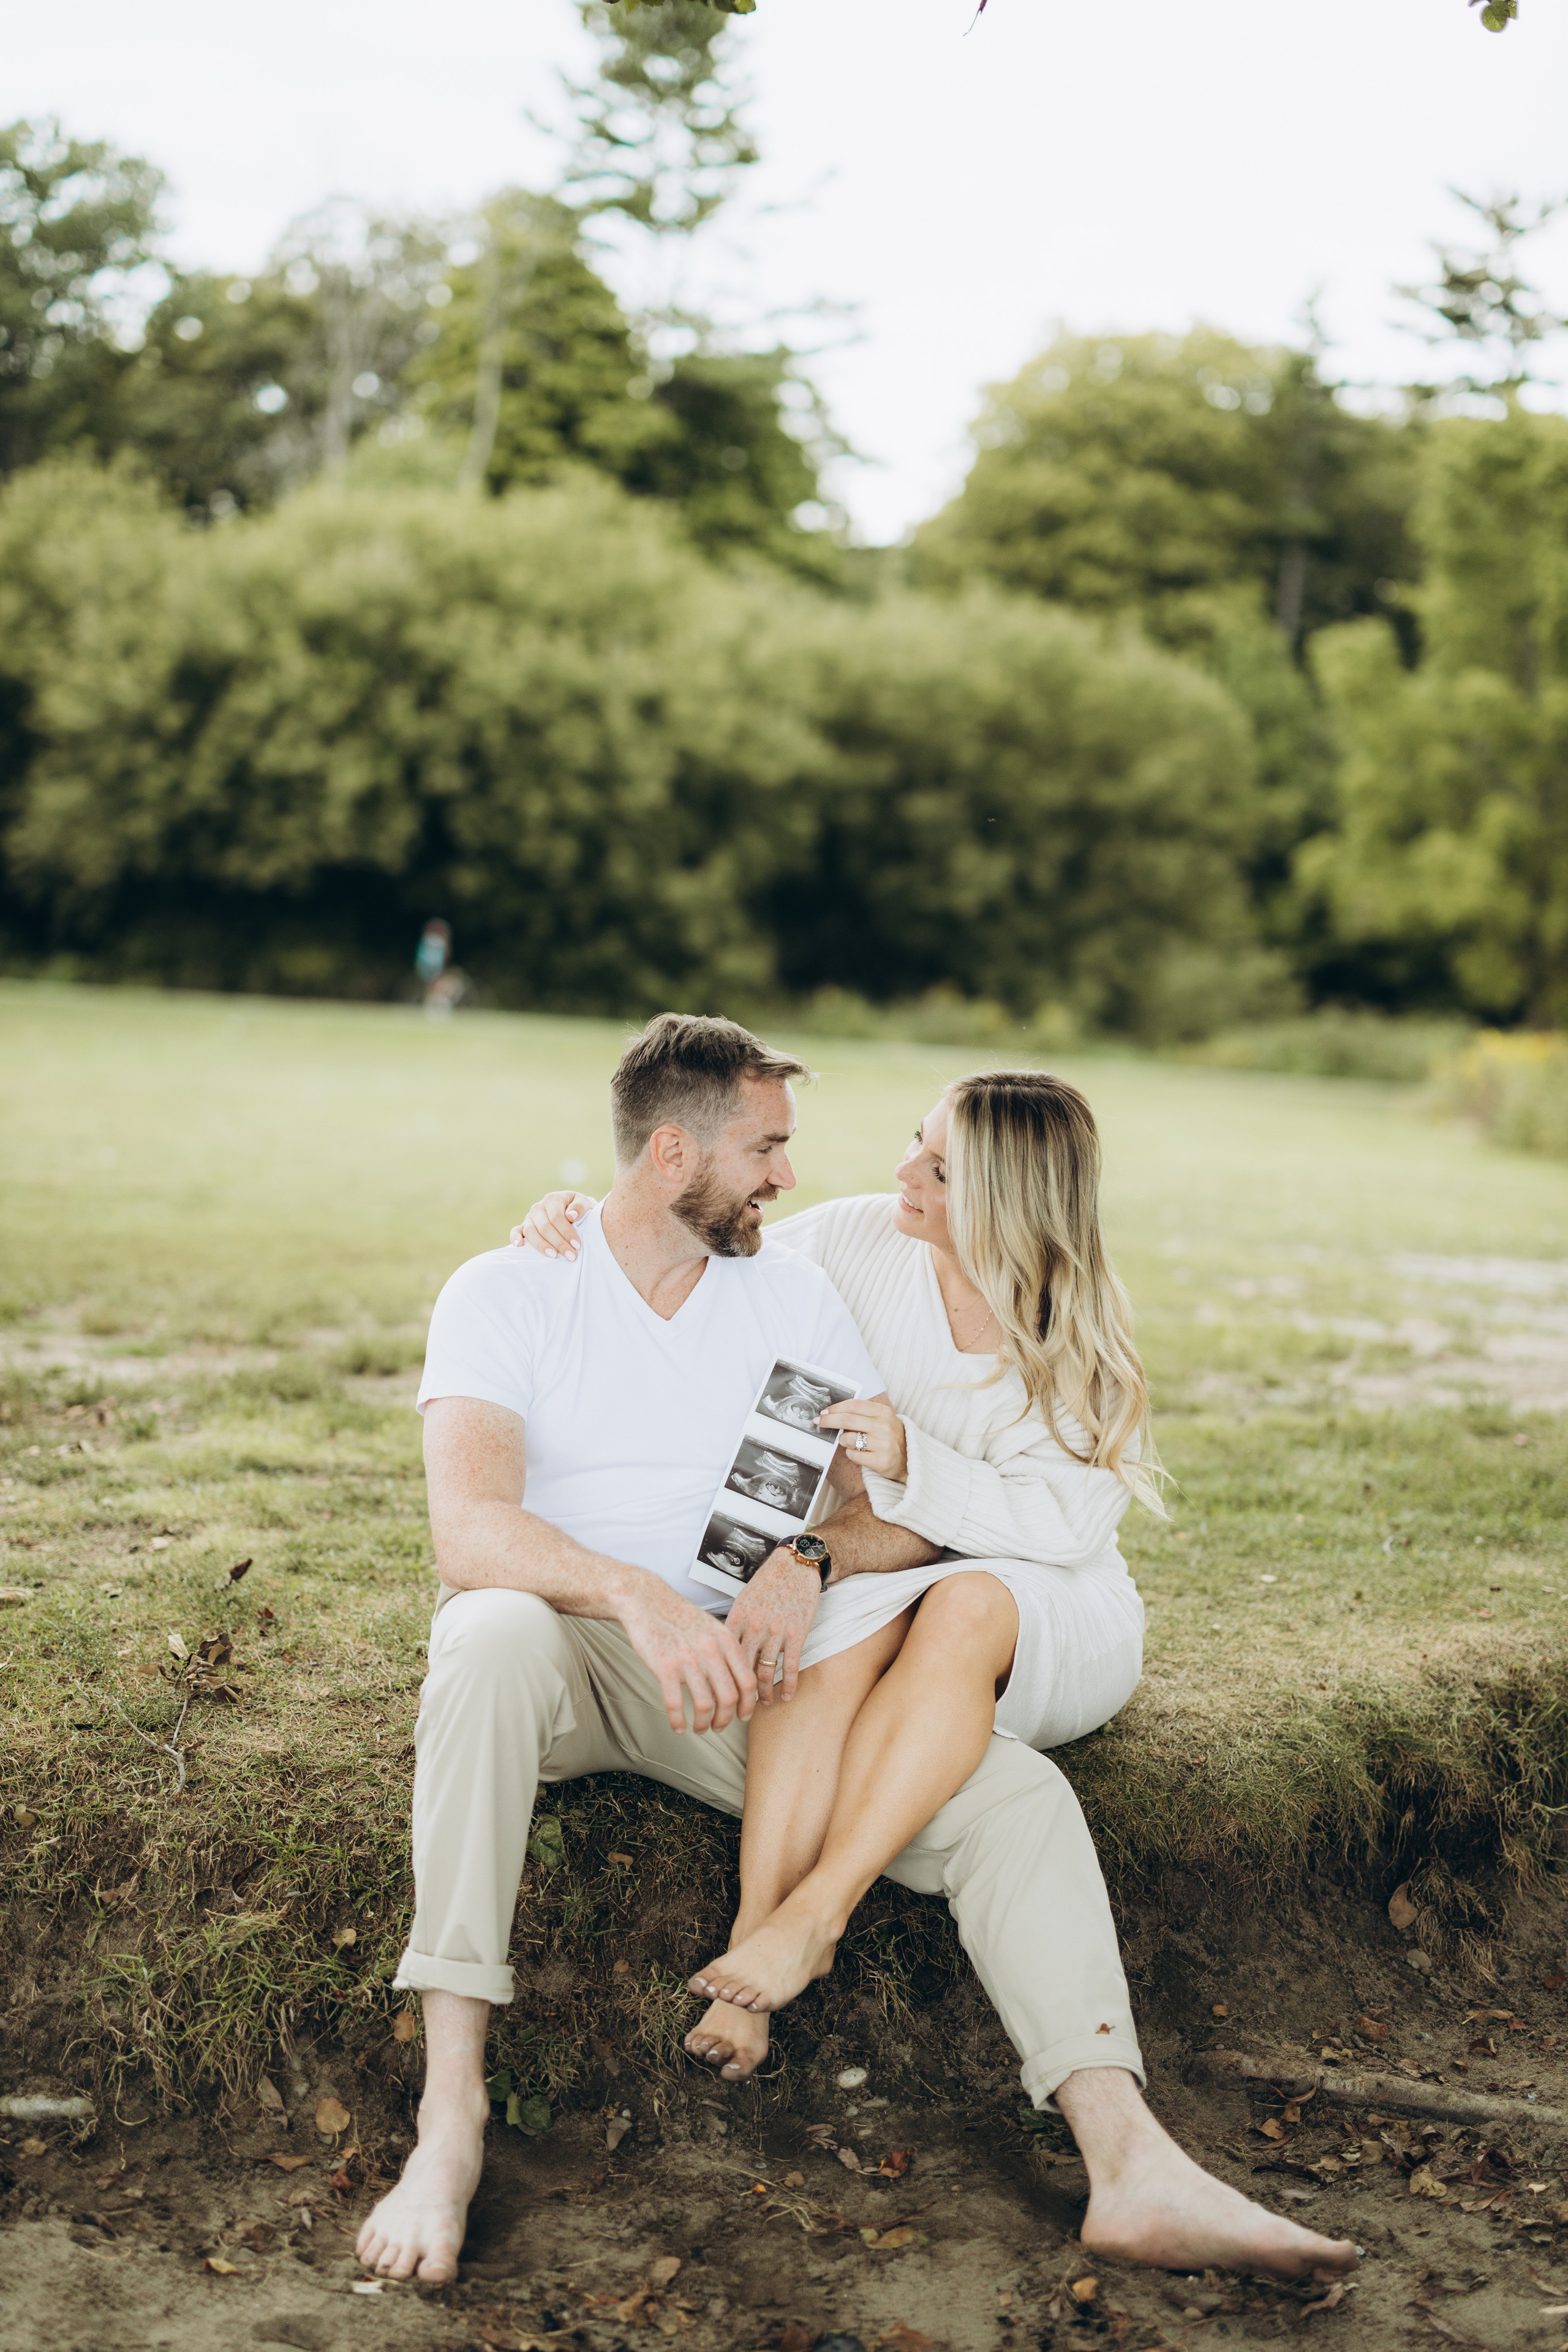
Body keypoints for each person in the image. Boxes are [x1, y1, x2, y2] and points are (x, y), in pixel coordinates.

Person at [357, 1014, 1357, 2293]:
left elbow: (871, 1506)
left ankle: (1130, 2165)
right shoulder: (508, 1283)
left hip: (743, 1683)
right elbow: (469, 1529)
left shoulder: (792, 1281)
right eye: (767, 1149)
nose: (790, 1176)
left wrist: (796, 1569)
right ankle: (452, 2119)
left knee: (1012, 1797)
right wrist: (637, 1601)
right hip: (575, 1655)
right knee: (487, 1632)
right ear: (670, 1154)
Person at [515, 1070, 1150, 2085]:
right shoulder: (862, 1236)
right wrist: (586, 1223)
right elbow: (704, 1254)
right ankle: (753, 1945)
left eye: (938, 1170)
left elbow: (1065, 1522)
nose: (904, 1169)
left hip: (1043, 1597)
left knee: (965, 1602)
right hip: (886, 1567)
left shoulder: (1073, 1325)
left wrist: (912, 1466)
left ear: (1006, 1201)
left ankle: (818, 1915)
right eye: (916, 1140)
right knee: (817, 1640)